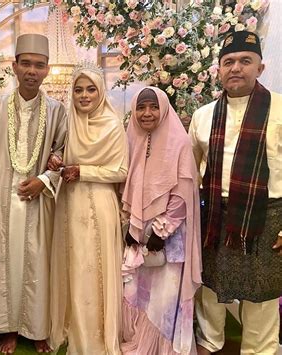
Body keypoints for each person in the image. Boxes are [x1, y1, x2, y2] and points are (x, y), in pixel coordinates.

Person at [189, 30, 282, 354]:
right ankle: (210, 343)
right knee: (212, 289)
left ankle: (260, 350)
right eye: (228, 62)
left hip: (267, 217)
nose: (236, 68)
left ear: (260, 67)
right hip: (215, 215)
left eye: (245, 60)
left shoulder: (280, 110)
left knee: (262, 295)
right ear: (219, 69)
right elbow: (188, 171)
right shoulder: (203, 116)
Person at [0, 33, 67, 354]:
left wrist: (43, 180)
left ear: (47, 70)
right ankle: (8, 328)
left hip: (38, 201)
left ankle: (38, 328)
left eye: (39, 65)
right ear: (14, 67)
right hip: (0, 199)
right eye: (26, 64)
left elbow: (63, 154)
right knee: (3, 261)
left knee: (38, 262)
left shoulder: (57, 110)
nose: (32, 70)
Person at [48, 62, 128, 354]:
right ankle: (72, 326)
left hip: (99, 203)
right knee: (73, 266)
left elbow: (120, 170)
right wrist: (56, 162)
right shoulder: (69, 123)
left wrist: (84, 172)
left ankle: (96, 335)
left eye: (90, 89)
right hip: (69, 203)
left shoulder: (113, 124)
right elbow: (59, 155)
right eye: (78, 89)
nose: (84, 96)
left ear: (100, 91)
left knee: (94, 269)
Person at [121, 87, 202, 354]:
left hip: (168, 235)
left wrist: (161, 230)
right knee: (140, 293)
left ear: (164, 109)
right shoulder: (131, 138)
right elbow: (126, 184)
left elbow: (182, 193)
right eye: (141, 107)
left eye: (153, 107)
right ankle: (141, 341)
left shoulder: (178, 142)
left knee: (164, 299)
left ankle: (163, 348)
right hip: (139, 232)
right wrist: (131, 226)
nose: (147, 113)